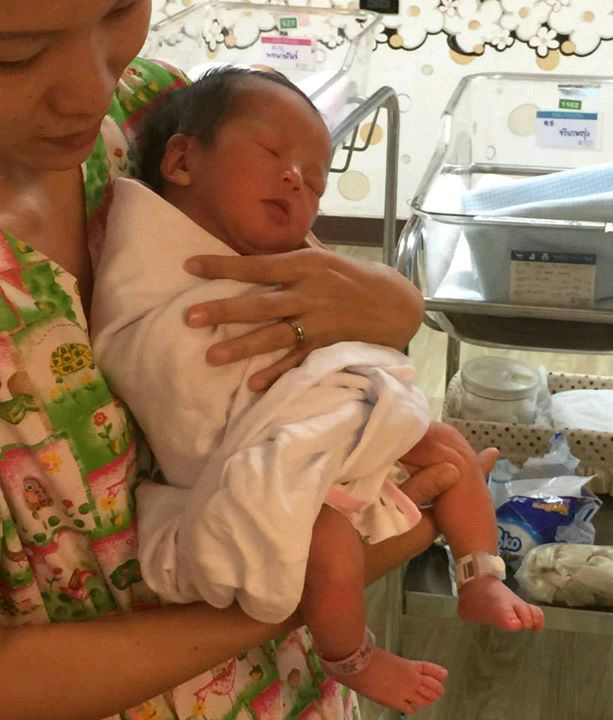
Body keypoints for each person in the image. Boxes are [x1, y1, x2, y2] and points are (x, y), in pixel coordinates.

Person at [0, 2, 456, 719]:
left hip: (293, 683)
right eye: (15, 51)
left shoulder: (148, 112)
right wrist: (312, 577)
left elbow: (313, 287)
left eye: (119, 10)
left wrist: (397, 306)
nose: (91, 88)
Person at [89, 67, 545, 713]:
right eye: (274, 153)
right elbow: (156, 355)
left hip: (325, 425)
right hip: (253, 457)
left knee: (448, 446)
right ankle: (352, 656)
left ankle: (480, 574)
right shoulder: (154, 261)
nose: (296, 178)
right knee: (326, 540)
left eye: (315, 179)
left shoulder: (284, 259)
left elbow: (348, 326)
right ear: (182, 161)